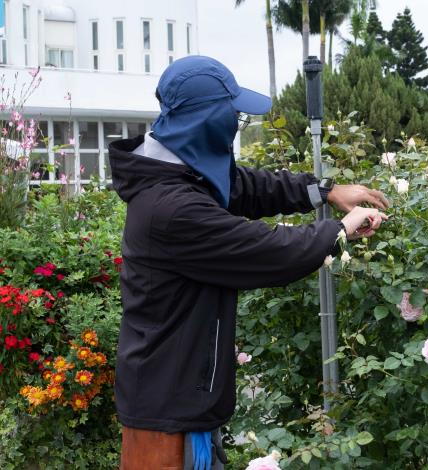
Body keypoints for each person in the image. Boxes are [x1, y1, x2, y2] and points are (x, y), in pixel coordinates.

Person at [109, 55, 389, 469]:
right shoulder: (171, 208)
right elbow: (267, 251)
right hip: (167, 414)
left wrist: (325, 191)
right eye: (234, 116)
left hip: (181, 396)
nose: (236, 126)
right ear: (209, 122)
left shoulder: (178, 174)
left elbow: (244, 185)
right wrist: (340, 229)